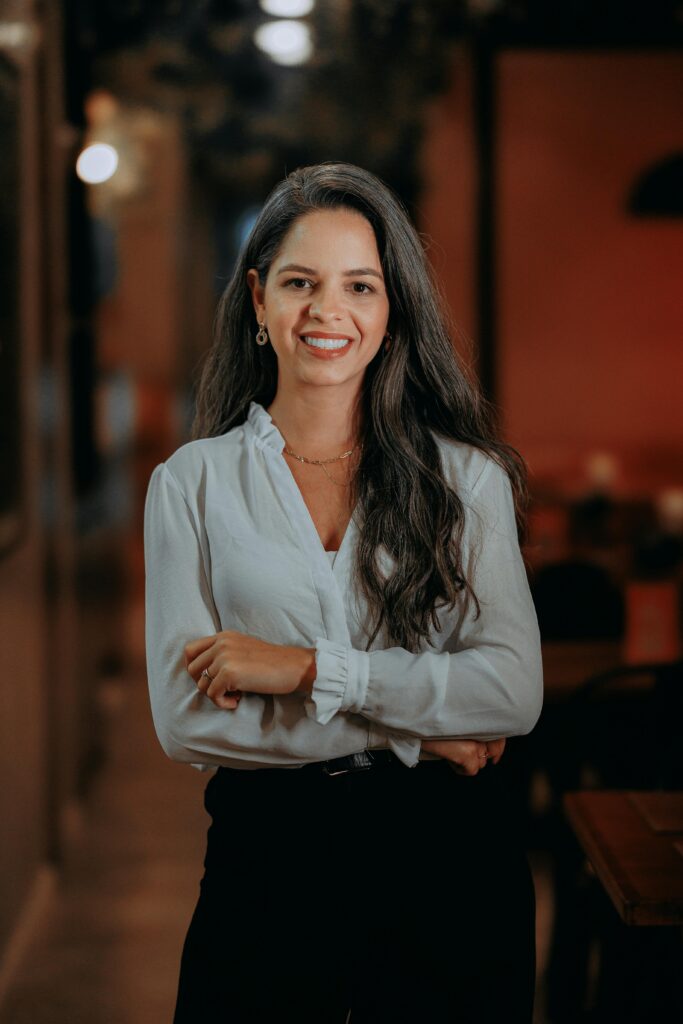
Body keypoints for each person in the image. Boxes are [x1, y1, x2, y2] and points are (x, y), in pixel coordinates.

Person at [144, 162, 543, 1024]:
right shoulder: (191, 485)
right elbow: (186, 721)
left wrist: (298, 670)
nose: (328, 311)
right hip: (267, 866)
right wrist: (420, 733)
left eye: (358, 285)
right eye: (300, 283)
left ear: (389, 307)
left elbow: (511, 691)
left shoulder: (467, 480)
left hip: (449, 867)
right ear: (258, 301)